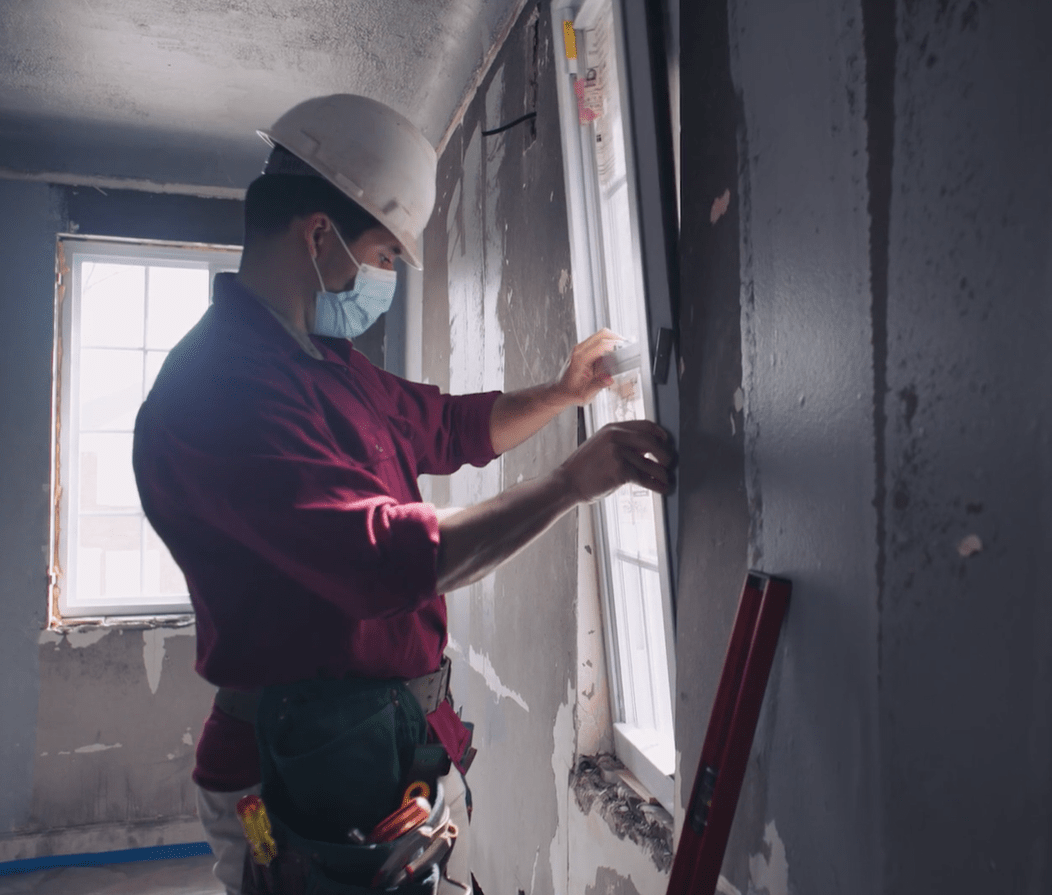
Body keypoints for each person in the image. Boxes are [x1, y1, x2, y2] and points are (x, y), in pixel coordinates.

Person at [132, 94, 674, 895]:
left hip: (369, 749)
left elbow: (449, 428)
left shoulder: (323, 365)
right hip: (294, 770)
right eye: (384, 255)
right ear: (318, 234)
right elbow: (380, 559)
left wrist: (563, 392)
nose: (380, 279)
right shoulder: (220, 391)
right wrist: (568, 483)